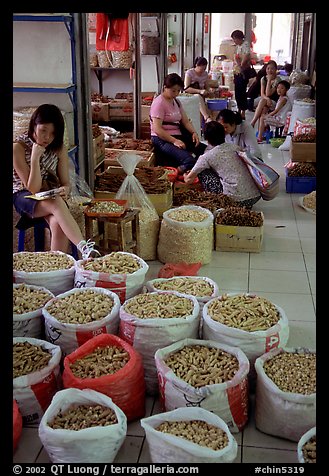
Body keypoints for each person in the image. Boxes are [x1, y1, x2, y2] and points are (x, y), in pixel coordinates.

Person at [13, 103, 100, 259]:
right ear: (34, 126)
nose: (47, 138)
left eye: (53, 133)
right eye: (43, 131)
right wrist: (35, 158)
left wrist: (65, 189)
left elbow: (66, 183)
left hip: (48, 195)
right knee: (57, 203)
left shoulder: (58, 148)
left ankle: (54, 269)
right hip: (24, 196)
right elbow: (32, 188)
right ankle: (84, 248)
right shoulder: (18, 148)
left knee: (57, 223)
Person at [183, 121, 261, 209]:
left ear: (206, 138)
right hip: (255, 196)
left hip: (235, 200)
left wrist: (186, 175)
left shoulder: (207, 156)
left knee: (203, 171)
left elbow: (188, 180)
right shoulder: (236, 148)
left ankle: (220, 201)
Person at [150, 73, 206, 173]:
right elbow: (157, 129)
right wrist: (174, 141)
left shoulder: (176, 102)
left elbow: (185, 121)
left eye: (178, 91)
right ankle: (172, 174)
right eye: (173, 90)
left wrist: (194, 133)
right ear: (165, 88)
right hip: (162, 139)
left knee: (205, 151)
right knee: (189, 161)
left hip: (178, 135)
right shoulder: (159, 103)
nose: (176, 93)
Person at [231, 29, 255, 120]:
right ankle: (239, 109)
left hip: (243, 72)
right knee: (237, 91)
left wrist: (240, 66)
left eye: (235, 39)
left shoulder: (245, 45)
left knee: (242, 92)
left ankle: (243, 111)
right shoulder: (238, 46)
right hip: (237, 71)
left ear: (239, 38)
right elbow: (236, 56)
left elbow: (246, 57)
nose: (234, 41)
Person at [250, 60, 281, 129]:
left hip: (274, 102)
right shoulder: (263, 78)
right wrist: (267, 99)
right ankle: (260, 133)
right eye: (268, 68)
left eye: (272, 69)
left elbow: (268, 93)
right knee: (263, 111)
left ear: (276, 70)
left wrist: (269, 80)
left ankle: (253, 122)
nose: (270, 71)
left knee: (262, 102)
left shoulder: (278, 80)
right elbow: (262, 94)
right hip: (265, 100)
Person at [184, 56, 212, 123]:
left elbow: (207, 86)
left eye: (204, 69)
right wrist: (199, 91)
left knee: (207, 104)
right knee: (198, 98)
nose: (202, 71)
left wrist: (209, 91)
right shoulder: (189, 73)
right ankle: (206, 117)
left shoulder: (205, 74)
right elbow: (186, 88)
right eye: (201, 68)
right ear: (197, 65)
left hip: (202, 95)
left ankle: (208, 123)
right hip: (190, 95)